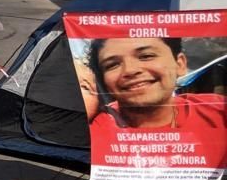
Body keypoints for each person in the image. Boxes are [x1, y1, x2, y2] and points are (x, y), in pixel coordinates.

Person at [88, 36, 227, 130]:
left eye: (146, 56)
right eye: (112, 65)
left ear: (180, 64)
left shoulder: (218, 111)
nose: (130, 70)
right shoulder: (97, 127)